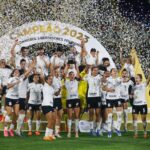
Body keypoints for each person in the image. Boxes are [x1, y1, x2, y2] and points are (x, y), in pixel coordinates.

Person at [4, 65, 34, 137]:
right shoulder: (10, 79)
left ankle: (11, 129)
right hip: (9, 97)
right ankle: (5, 129)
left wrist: (32, 65)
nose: (17, 72)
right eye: (15, 71)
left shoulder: (20, 78)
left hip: (16, 98)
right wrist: (16, 82)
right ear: (13, 73)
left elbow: (27, 72)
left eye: (18, 71)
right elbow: (8, 86)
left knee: (17, 114)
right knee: (9, 113)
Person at [83, 66, 102, 136]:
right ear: (92, 70)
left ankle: (98, 129)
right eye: (94, 70)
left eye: (97, 70)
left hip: (97, 97)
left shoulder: (100, 77)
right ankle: (91, 129)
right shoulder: (88, 76)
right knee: (91, 113)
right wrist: (87, 69)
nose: (96, 71)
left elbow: (103, 80)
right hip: (90, 97)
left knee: (98, 113)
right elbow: (82, 78)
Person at [104, 68, 122, 138]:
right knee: (109, 116)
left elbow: (122, 80)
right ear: (111, 73)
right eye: (113, 71)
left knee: (119, 115)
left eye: (116, 71)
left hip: (117, 98)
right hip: (109, 98)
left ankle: (118, 129)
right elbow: (103, 88)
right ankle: (109, 131)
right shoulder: (107, 79)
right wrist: (109, 89)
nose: (115, 72)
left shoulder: (119, 79)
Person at [42, 75, 61, 141]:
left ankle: (50, 135)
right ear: (46, 80)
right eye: (49, 79)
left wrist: (59, 90)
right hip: (46, 105)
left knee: (53, 120)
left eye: (51, 79)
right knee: (50, 121)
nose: (51, 80)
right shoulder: (44, 85)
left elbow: (56, 94)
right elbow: (42, 77)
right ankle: (46, 136)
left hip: (51, 105)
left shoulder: (51, 88)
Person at [132, 73, 150, 138]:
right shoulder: (133, 87)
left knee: (143, 120)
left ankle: (145, 132)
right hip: (135, 105)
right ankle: (136, 133)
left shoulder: (143, 84)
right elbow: (131, 95)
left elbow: (148, 80)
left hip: (143, 104)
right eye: (135, 78)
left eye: (137, 78)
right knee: (135, 119)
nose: (136, 79)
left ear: (141, 79)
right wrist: (132, 96)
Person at [65, 69, 80, 138]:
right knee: (70, 116)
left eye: (73, 75)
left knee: (77, 116)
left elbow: (79, 75)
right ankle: (69, 132)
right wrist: (67, 67)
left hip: (76, 99)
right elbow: (64, 74)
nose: (72, 76)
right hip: (69, 100)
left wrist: (76, 67)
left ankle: (76, 132)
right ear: (68, 76)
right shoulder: (66, 82)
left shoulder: (77, 81)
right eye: (70, 75)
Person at [52, 67, 63, 138]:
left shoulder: (59, 79)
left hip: (59, 99)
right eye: (55, 72)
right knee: (54, 117)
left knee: (59, 116)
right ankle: (52, 132)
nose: (57, 73)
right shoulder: (52, 79)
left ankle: (56, 132)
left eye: (57, 72)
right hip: (54, 99)